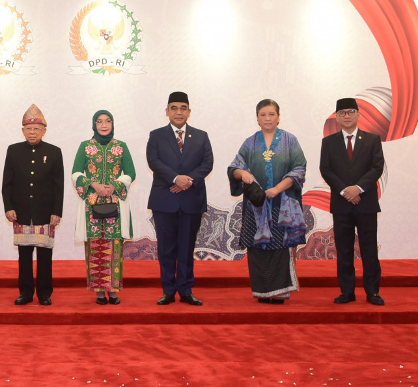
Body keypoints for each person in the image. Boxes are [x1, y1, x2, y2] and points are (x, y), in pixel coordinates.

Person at [227, 99, 307, 305]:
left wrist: (277, 189)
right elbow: (234, 167)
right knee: (258, 248)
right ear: (257, 118)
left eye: (271, 114)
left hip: (284, 205)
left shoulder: (290, 140)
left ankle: (280, 292)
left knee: (281, 247)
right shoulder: (250, 142)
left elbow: (299, 168)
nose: (268, 118)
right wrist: (242, 173)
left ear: (278, 117)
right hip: (256, 207)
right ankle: (262, 292)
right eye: (263, 115)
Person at [146, 92, 214, 306]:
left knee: (186, 248)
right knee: (166, 248)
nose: (178, 112)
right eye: (174, 108)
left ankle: (185, 290)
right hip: (164, 200)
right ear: (167, 112)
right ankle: (168, 291)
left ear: (189, 112)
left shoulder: (201, 136)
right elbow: (154, 161)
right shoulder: (156, 135)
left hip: (191, 200)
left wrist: (187, 180)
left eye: (183, 108)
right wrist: (175, 178)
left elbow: (207, 163)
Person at [319, 97, 386, 306]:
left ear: (358, 114)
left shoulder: (372, 139)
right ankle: (347, 292)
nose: (346, 116)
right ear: (337, 118)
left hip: (365, 203)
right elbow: (326, 169)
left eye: (350, 112)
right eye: (342, 113)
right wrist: (344, 191)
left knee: (369, 249)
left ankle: (373, 292)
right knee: (344, 250)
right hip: (341, 205)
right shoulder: (328, 142)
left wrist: (357, 188)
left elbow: (377, 167)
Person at [72, 110, 136, 305]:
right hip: (91, 204)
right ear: (94, 124)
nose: (104, 124)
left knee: (115, 246)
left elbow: (131, 172)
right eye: (99, 121)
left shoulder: (121, 147)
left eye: (108, 121)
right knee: (95, 247)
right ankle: (99, 291)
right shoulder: (85, 146)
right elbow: (76, 173)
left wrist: (114, 186)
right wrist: (94, 185)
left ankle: (113, 290)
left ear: (113, 124)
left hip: (115, 203)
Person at [1, 104, 63, 306]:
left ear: (44, 130)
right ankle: (25, 293)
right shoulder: (14, 151)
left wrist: (56, 211)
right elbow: (6, 183)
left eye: (37, 128)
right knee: (24, 255)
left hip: (45, 212)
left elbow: (58, 186)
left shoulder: (54, 152)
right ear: (22, 131)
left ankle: (44, 293)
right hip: (21, 212)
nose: (32, 132)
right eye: (28, 129)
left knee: (45, 255)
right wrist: (8, 207)